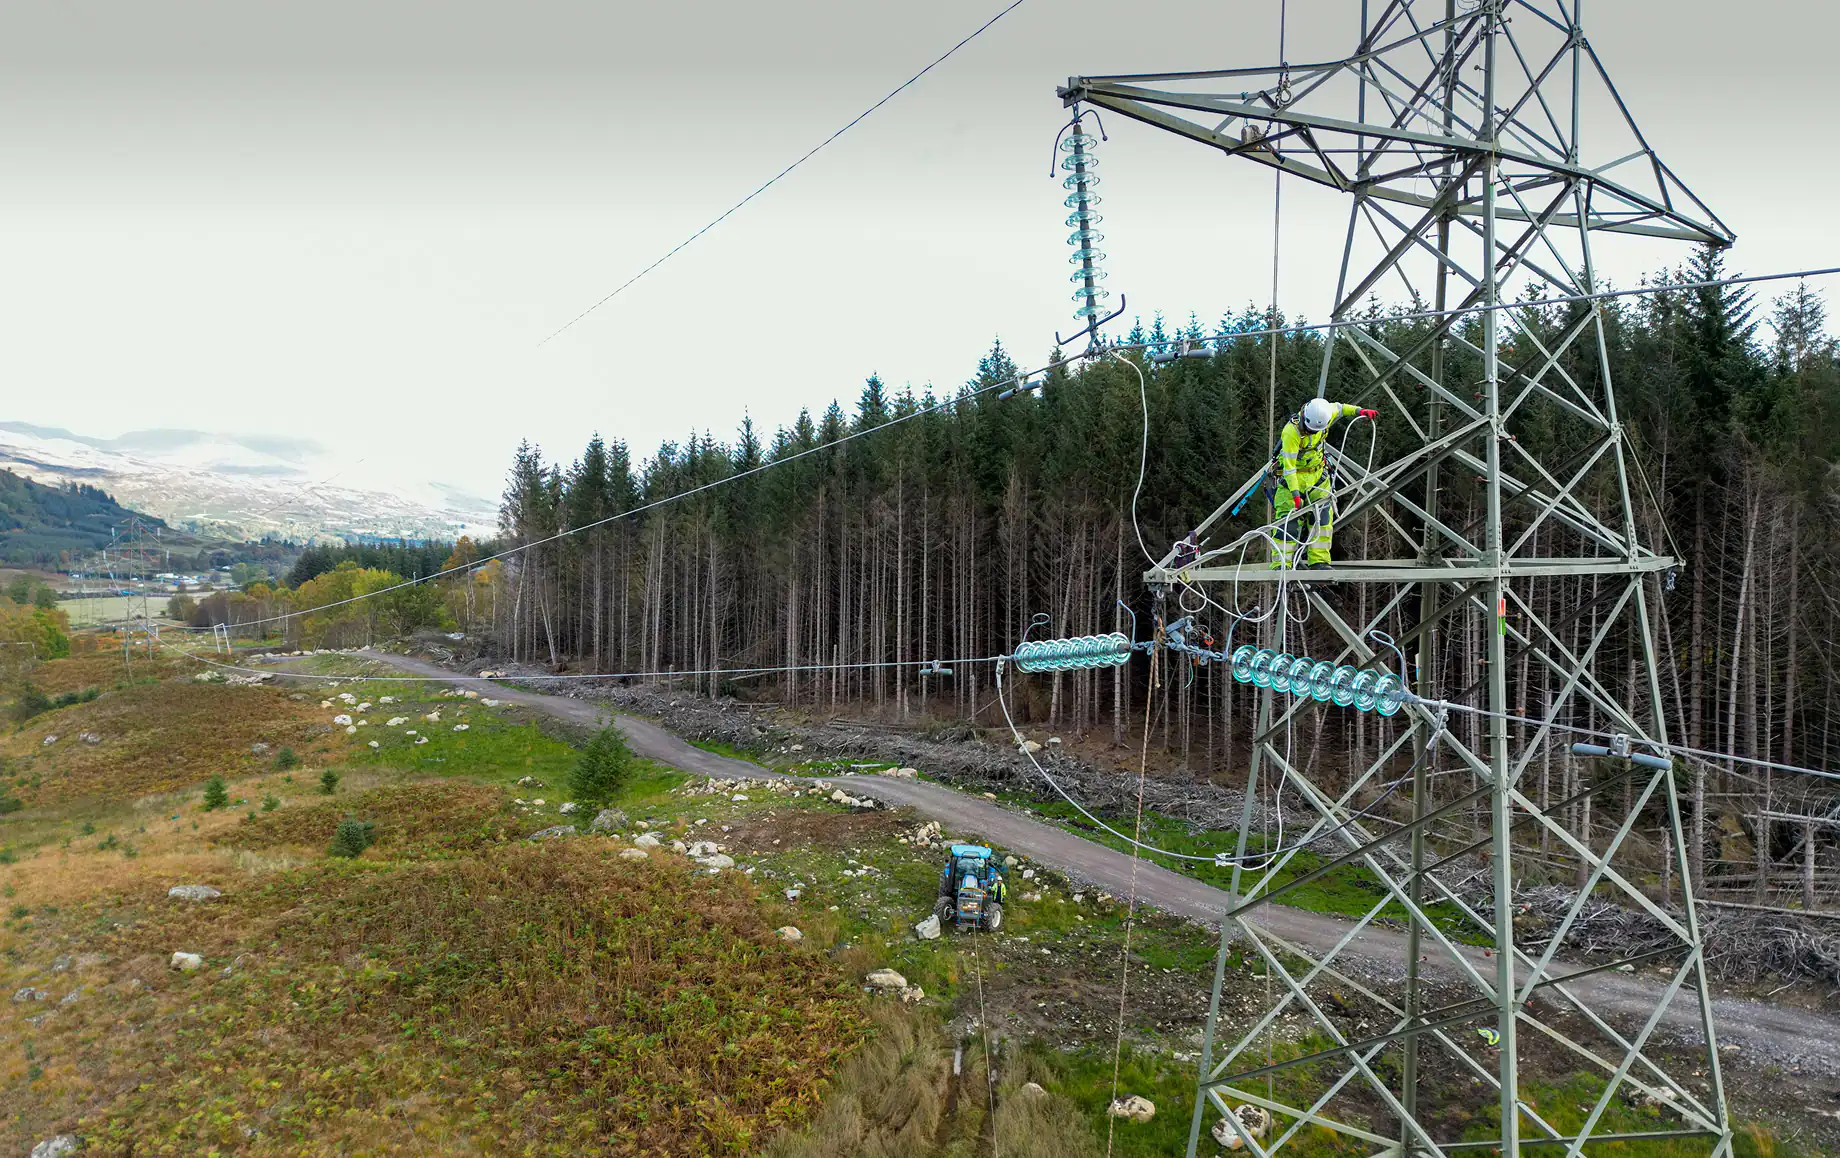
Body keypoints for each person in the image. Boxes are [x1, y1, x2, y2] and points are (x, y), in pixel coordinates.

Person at [1269, 398, 1377, 569]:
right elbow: (1289, 468)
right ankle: (1282, 564)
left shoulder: (1326, 413)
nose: (1313, 433)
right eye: (1311, 430)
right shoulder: (1292, 432)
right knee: (1287, 524)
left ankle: (1318, 561)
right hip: (1293, 479)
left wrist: (1360, 411)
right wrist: (1295, 493)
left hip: (1318, 476)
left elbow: (1341, 408)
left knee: (1322, 520)